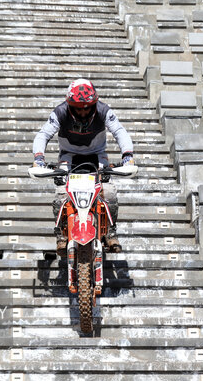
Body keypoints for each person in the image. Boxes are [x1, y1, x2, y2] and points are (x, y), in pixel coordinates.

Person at [32, 79, 135, 255]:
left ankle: (111, 232)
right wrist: (39, 158)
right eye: (78, 107)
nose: (82, 112)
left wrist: (127, 156)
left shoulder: (104, 110)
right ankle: (61, 235)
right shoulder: (60, 112)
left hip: (97, 155)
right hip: (68, 155)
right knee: (61, 194)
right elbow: (43, 135)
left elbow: (119, 131)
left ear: (94, 103)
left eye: (87, 107)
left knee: (109, 192)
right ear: (69, 105)